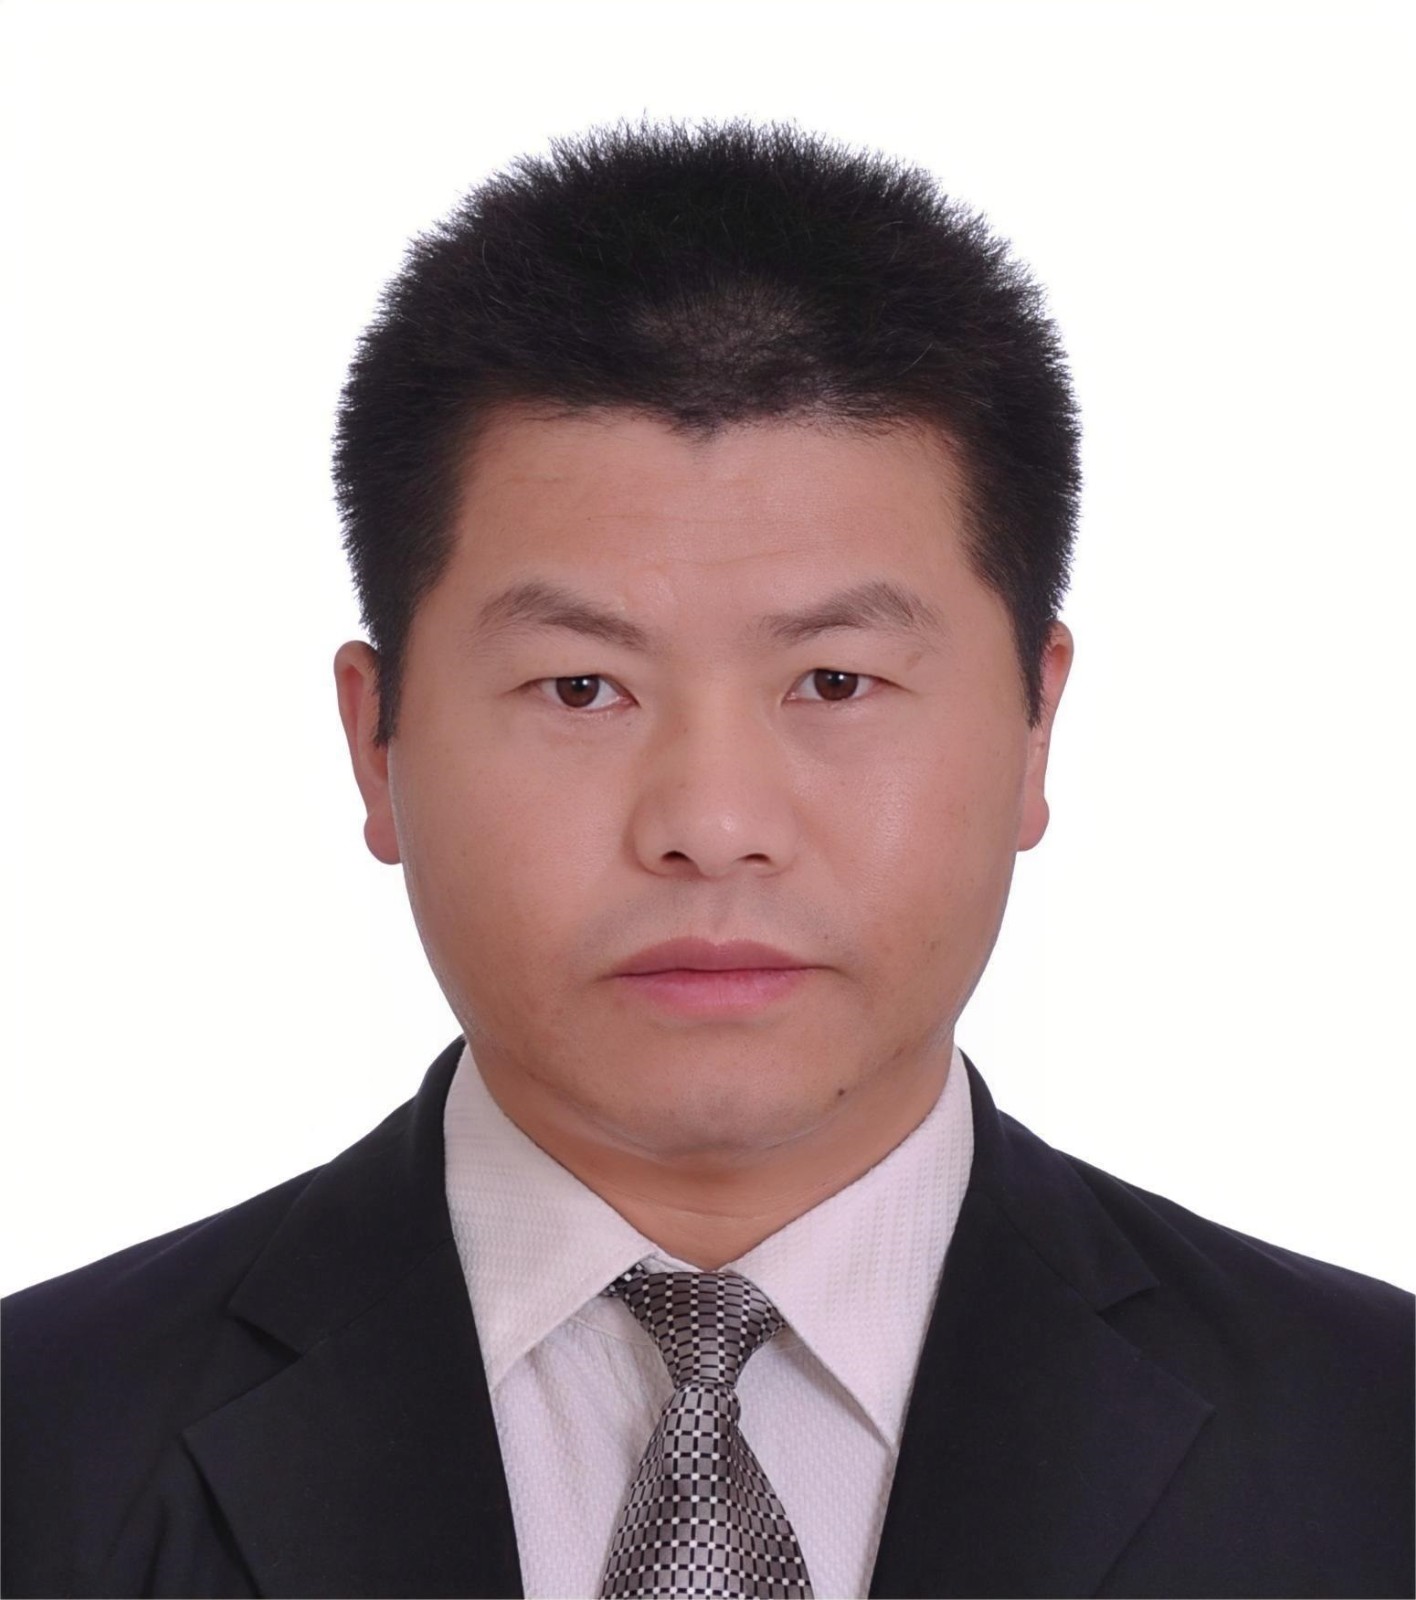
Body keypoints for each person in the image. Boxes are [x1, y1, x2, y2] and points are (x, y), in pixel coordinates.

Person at [2, 116, 1411, 1600]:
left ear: (1034, 726)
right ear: (377, 744)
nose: (713, 822)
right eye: (580, 688)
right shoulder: (41, 1451)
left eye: (835, 682)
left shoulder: (1377, 1446)